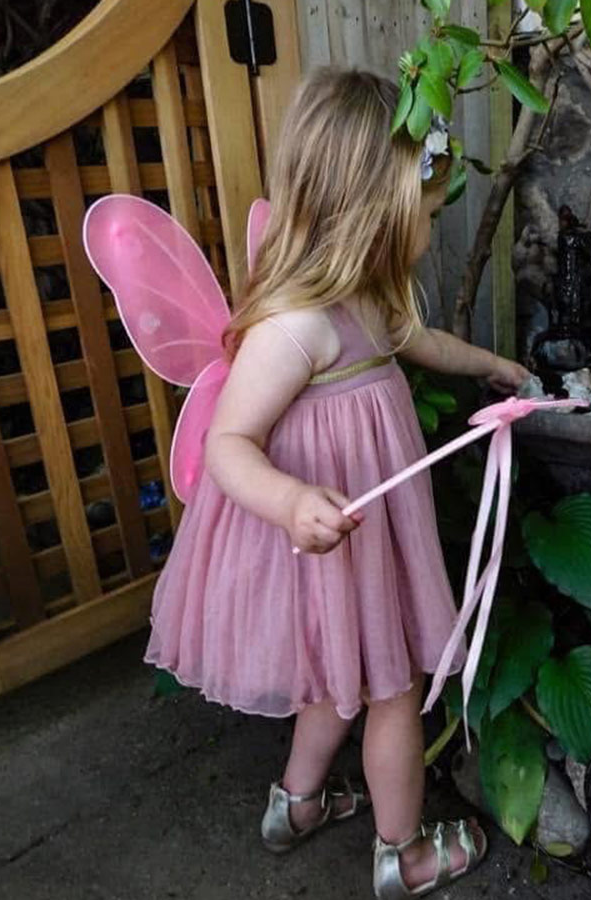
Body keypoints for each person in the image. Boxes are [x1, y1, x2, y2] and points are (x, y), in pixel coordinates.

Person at [143, 68, 530, 898]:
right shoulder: (297, 327)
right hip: (329, 532)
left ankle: (299, 804)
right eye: (425, 216)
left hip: (371, 530)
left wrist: (496, 367)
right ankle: (405, 854)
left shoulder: (364, 297)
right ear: (372, 210)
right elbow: (228, 444)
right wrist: (288, 501)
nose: (431, 231)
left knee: (341, 676)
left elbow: (425, 344)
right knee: (393, 686)